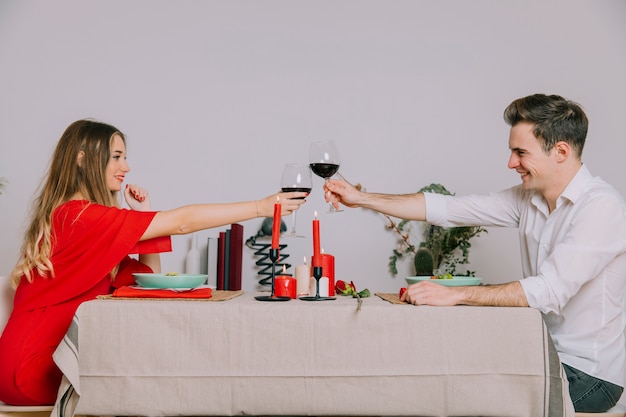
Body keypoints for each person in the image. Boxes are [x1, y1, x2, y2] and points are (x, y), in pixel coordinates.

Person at [324, 93, 626, 413]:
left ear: (561, 151)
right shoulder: (529, 200)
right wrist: (362, 198)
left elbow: (548, 291)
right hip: (542, 357)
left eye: (520, 152)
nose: (511, 163)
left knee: (472, 398)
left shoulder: (601, 207)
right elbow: (446, 208)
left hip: (589, 376)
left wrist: (455, 294)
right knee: (448, 380)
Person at [0, 119, 307, 406]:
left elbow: (147, 276)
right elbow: (183, 223)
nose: (126, 167)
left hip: (40, 361)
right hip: (34, 368)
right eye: (117, 157)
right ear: (83, 158)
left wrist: (144, 212)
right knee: (158, 375)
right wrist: (259, 207)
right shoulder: (79, 217)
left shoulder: (80, 218)